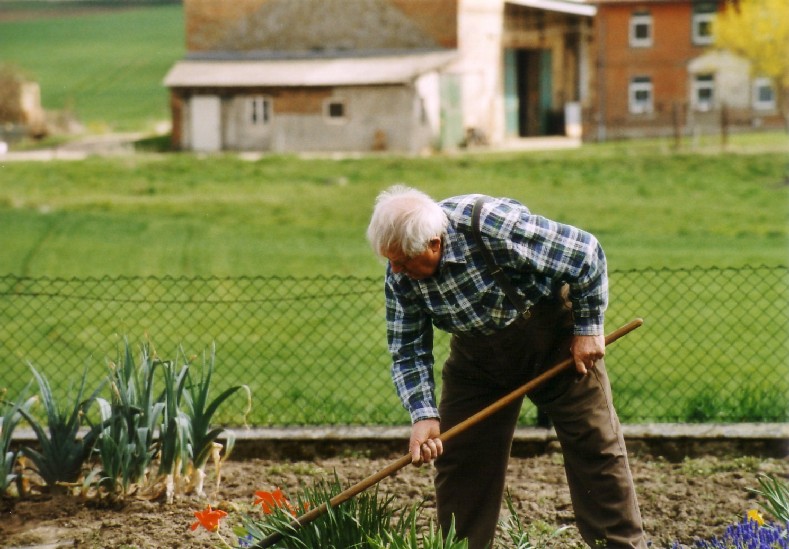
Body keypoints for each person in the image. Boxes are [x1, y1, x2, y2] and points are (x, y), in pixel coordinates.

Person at [366, 185, 647, 549]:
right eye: (390, 261)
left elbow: (585, 252)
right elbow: (408, 349)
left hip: (554, 345)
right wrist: (423, 414)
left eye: (403, 261)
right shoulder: (401, 276)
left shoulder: (490, 225)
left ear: (434, 243)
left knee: (596, 448)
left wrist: (589, 329)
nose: (395, 270)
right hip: (477, 362)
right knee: (460, 458)